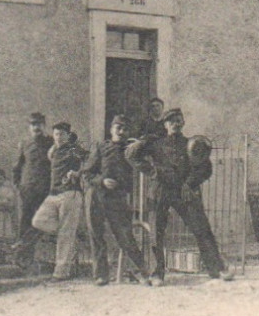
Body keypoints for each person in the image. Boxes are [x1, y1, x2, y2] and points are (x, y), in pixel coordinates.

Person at [129, 107, 232, 283]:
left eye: (178, 120)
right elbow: (131, 156)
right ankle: (156, 273)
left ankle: (217, 269)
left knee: (201, 228)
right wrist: (152, 170)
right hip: (160, 191)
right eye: (171, 121)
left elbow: (206, 168)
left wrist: (190, 183)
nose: (175, 124)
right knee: (156, 232)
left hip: (183, 191)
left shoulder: (191, 144)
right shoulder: (155, 143)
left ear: (183, 122)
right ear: (165, 124)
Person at [82, 115, 153, 286]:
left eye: (125, 129)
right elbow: (87, 174)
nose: (121, 132)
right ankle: (101, 275)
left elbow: (146, 154)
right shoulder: (101, 147)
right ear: (111, 129)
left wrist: (141, 142)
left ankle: (143, 272)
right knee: (96, 236)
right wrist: (102, 181)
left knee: (125, 236)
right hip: (96, 196)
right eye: (118, 128)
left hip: (118, 199)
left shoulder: (131, 151)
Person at [30, 121, 88, 281]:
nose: (58, 137)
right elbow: (51, 158)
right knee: (38, 221)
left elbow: (90, 160)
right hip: (54, 193)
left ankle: (61, 272)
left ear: (68, 135)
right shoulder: (54, 150)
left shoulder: (73, 148)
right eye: (56, 134)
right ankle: (72, 233)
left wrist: (77, 172)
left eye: (62, 134)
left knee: (65, 234)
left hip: (71, 192)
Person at [13, 112, 53, 266]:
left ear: (44, 126)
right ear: (29, 127)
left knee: (42, 222)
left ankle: (42, 257)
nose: (36, 127)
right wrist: (19, 185)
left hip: (45, 189)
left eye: (39, 124)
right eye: (33, 124)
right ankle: (23, 258)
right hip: (28, 190)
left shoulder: (50, 143)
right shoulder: (24, 144)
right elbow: (17, 167)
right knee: (26, 222)